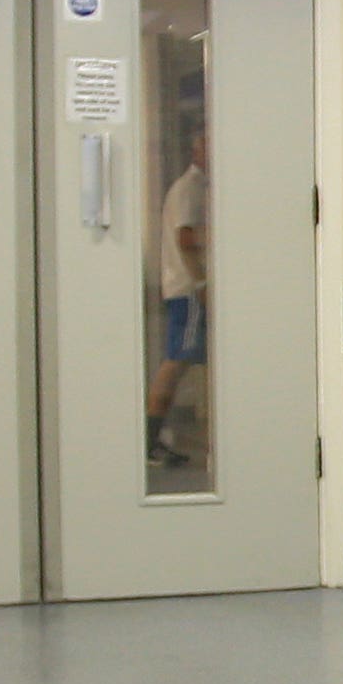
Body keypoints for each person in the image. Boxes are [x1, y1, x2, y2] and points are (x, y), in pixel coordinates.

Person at [147, 127, 209, 463]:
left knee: (185, 361)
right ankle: (149, 438)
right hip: (189, 290)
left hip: (187, 287)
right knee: (177, 361)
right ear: (197, 152)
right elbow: (187, 239)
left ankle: (152, 438)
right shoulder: (190, 189)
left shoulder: (198, 188)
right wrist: (201, 284)